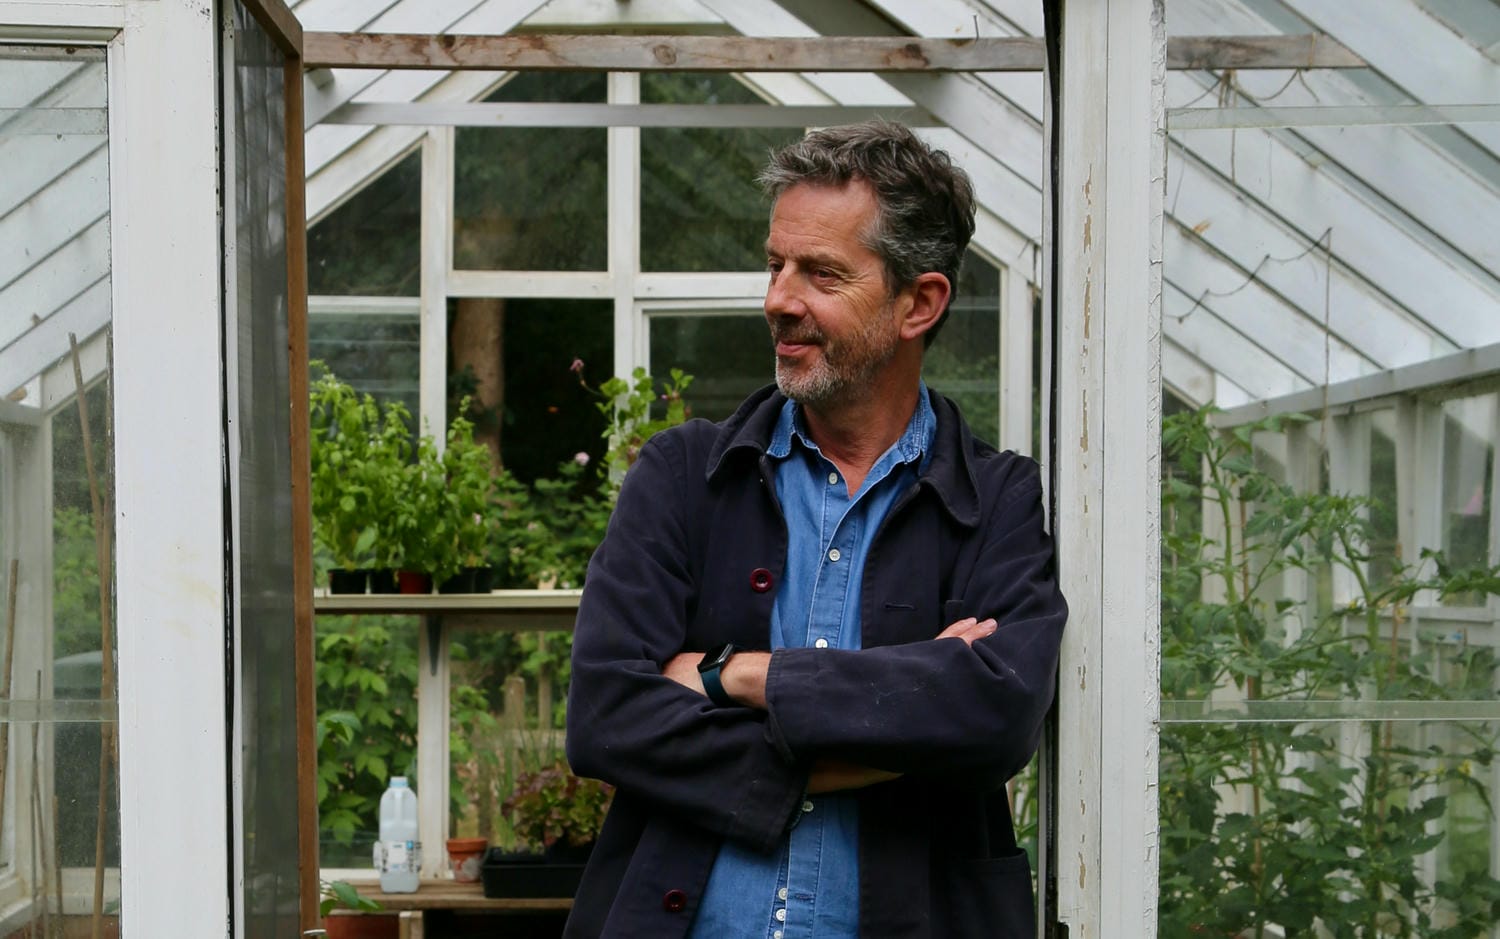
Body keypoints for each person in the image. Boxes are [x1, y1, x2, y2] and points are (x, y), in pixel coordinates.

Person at [564, 121, 1067, 939]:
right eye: (775, 265)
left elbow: (995, 715)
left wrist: (738, 675)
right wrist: (884, 735)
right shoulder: (684, 476)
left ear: (920, 302)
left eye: (821, 273)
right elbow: (606, 716)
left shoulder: (998, 500)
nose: (779, 300)